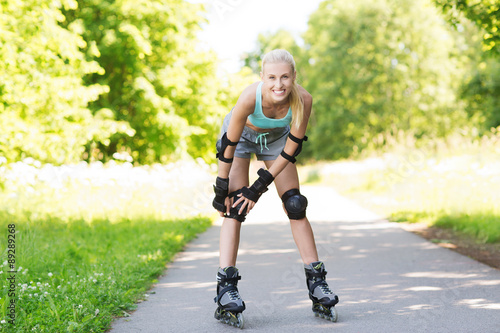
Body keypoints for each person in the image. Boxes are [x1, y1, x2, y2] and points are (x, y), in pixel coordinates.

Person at [212, 49, 339, 328]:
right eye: (271, 77)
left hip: (278, 140)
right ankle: (225, 288)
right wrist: (221, 188)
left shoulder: (303, 99)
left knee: (295, 204)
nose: (278, 84)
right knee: (234, 206)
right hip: (242, 137)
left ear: (294, 77)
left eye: (284, 77)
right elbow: (228, 147)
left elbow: (291, 150)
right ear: (262, 77)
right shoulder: (249, 97)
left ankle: (317, 283)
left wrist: (259, 187)